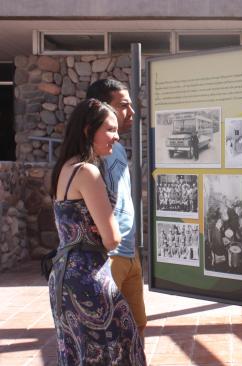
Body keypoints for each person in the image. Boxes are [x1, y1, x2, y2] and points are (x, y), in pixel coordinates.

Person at [48, 99, 145, 364]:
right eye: (110, 129)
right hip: (89, 278)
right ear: (88, 130)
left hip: (63, 278)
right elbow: (112, 237)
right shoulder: (88, 172)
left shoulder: (63, 169)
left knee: (78, 352)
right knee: (118, 349)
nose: (116, 136)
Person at [86, 79, 147, 341]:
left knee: (138, 326)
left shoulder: (118, 148)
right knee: (110, 335)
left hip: (129, 253)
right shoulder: (87, 157)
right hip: (106, 257)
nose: (131, 113)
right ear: (100, 109)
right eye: (123, 106)